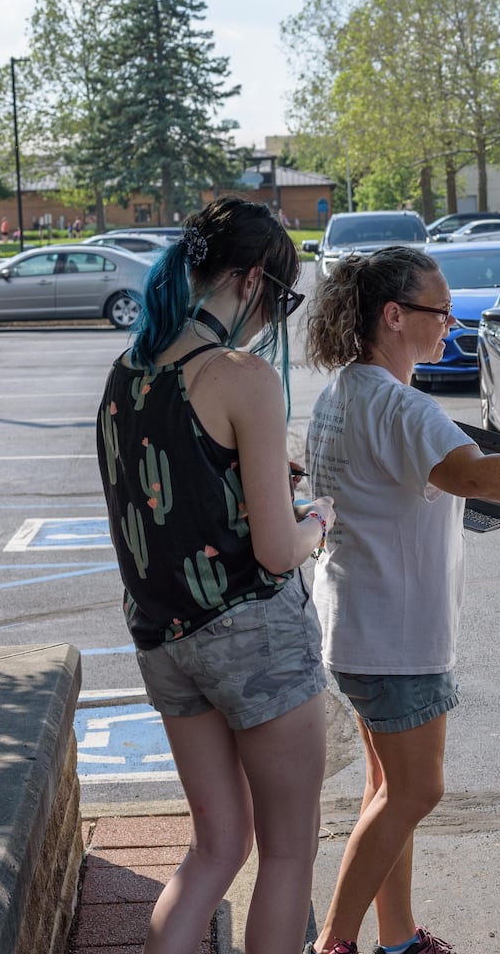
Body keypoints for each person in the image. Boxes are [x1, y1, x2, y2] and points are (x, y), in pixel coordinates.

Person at [302, 246, 500, 954]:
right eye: (440, 310)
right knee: (414, 793)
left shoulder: (345, 393)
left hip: (355, 625)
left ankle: (397, 939)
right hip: (395, 637)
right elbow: (481, 478)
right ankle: (334, 946)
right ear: (394, 316)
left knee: (388, 793)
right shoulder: (402, 409)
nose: (453, 322)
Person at [95, 195, 336, 954]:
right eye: (283, 301)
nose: (275, 320)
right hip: (253, 637)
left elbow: (156, 510)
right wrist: (318, 520)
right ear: (253, 279)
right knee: (289, 851)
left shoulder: (126, 371)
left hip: (163, 637)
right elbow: (275, 549)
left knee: (215, 850)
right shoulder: (240, 376)